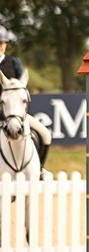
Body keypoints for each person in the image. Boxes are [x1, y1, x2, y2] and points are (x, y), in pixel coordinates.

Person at [0, 26, 53, 155]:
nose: (0, 46)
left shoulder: (14, 63)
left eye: (2, 43)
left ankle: (40, 168)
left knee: (45, 134)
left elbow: (23, 89)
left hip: (13, 114)